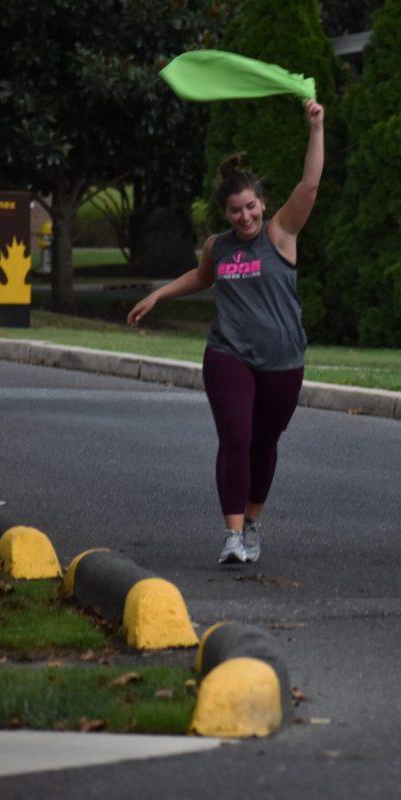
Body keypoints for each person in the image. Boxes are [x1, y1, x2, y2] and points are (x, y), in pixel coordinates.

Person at [127, 98, 324, 565]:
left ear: (263, 204)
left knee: (264, 442)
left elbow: (311, 183)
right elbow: (202, 277)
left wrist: (316, 128)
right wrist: (159, 295)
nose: (245, 217)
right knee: (236, 437)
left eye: (251, 206)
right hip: (228, 354)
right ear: (226, 212)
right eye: (236, 210)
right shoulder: (219, 246)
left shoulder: (281, 235)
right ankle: (233, 535)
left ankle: (253, 521)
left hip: (283, 358)